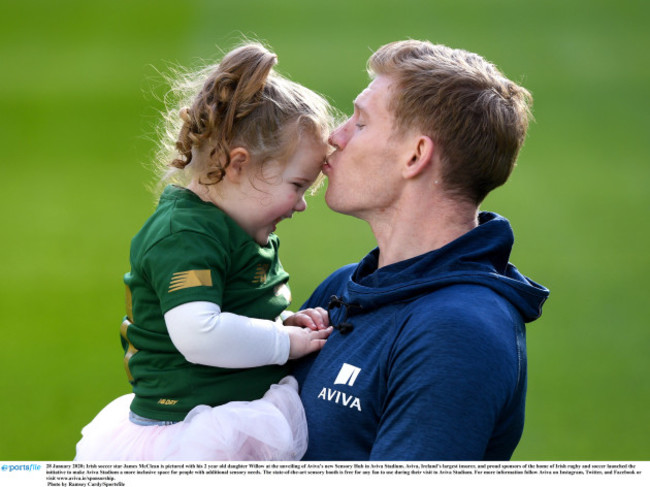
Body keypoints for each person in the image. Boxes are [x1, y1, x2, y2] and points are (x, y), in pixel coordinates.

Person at [75, 42, 334, 461]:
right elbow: (200, 333)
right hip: (189, 432)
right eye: (297, 186)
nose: (302, 203)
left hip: (228, 412)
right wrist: (285, 341)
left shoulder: (237, 226)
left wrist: (283, 318)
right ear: (238, 165)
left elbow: (235, 305)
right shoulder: (185, 234)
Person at [293, 40, 550, 460]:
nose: (334, 137)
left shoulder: (458, 330)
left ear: (415, 155)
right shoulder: (343, 287)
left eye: (360, 123)